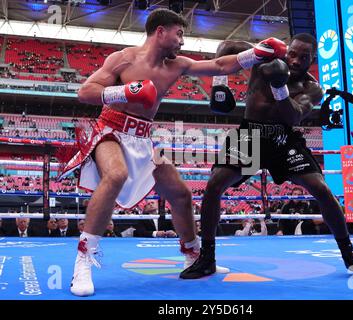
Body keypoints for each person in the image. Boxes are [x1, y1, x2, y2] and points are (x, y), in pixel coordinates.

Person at [60, 8, 287, 296]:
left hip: (144, 138)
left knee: (180, 193)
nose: (182, 39)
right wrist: (124, 92)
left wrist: (256, 53)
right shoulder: (124, 58)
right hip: (111, 130)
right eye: (179, 33)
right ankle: (83, 260)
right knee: (116, 175)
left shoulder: (177, 64)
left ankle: (193, 255)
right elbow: (84, 91)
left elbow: (218, 66)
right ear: (160, 32)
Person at [180, 33, 353, 280]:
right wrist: (220, 84)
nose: (295, 60)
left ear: (312, 59)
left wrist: (278, 86)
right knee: (214, 184)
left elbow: (294, 116)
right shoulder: (262, 57)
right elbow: (225, 46)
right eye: (292, 54)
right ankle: (207, 259)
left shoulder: (312, 87)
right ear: (286, 50)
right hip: (251, 135)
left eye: (303, 57)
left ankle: (350, 255)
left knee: (321, 189)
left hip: (282, 137)